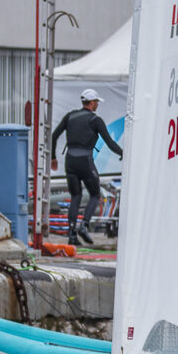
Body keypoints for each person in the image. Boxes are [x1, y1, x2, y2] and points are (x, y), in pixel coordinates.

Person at [51, 89, 124, 246]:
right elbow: (109, 142)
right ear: (91, 103)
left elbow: (54, 135)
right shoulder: (95, 120)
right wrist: (123, 153)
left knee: (75, 197)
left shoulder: (70, 116)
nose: (97, 105)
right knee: (95, 194)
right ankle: (84, 225)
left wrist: (53, 158)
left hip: (70, 161)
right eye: (96, 102)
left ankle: (71, 234)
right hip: (85, 161)